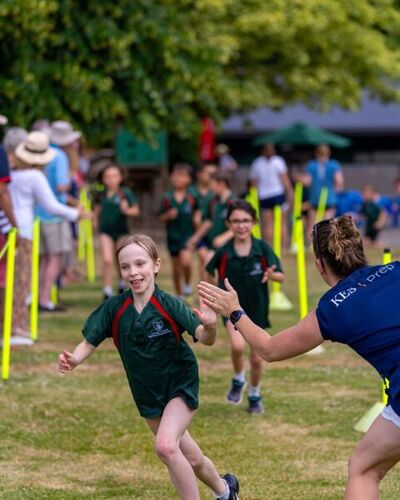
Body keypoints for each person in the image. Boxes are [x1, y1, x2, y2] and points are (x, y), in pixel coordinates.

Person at [199, 214, 400, 499]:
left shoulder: (333, 309)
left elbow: (268, 349)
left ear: (319, 265)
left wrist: (234, 311)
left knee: (363, 470)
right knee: (363, 464)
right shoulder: (396, 269)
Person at [58, 233, 239, 500]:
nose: (133, 272)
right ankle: (225, 491)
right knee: (192, 458)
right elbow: (89, 341)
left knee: (166, 447)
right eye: (125, 267)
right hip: (147, 394)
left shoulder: (169, 304)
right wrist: (74, 358)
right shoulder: (115, 308)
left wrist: (211, 326)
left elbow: (205, 338)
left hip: (179, 385)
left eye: (140, 264)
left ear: (156, 265)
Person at [205, 200, 284, 413]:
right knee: (237, 347)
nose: (241, 225)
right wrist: (211, 297)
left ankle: (255, 394)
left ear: (255, 222)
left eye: (246, 221)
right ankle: (239, 378)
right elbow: (208, 272)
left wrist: (271, 275)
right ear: (229, 224)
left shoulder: (262, 249)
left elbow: (281, 276)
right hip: (232, 310)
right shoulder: (223, 252)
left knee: (258, 360)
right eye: (236, 221)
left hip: (257, 312)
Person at [5, 130, 83, 344]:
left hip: (8, 228)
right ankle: (16, 328)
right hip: (24, 231)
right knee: (21, 280)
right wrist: (77, 214)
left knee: (10, 279)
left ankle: (11, 324)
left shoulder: (13, 173)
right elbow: (52, 205)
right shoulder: (35, 176)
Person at [35, 120, 81, 312]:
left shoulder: (44, 153)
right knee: (55, 258)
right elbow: (62, 186)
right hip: (55, 214)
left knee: (45, 259)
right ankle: (44, 300)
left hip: (39, 213)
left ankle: (38, 297)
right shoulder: (60, 156)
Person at [93, 164, 140, 300]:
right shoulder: (101, 194)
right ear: (103, 179)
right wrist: (94, 221)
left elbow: (136, 211)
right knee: (107, 259)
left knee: (121, 259)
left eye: (114, 176)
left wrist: (126, 210)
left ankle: (121, 283)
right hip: (105, 231)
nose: (111, 180)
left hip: (121, 231)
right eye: (107, 177)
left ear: (120, 178)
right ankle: (107, 290)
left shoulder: (125, 193)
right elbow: (96, 211)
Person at [158, 163, 199, 299]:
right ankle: (179, 295)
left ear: (189, 179)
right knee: (176, 270)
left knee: (186, 262)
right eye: (175, 175)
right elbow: (159, 217)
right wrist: (167, 215)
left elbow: (198, 215)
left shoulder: (192, 197)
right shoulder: (167, 198)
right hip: (172, 237)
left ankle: (187, 283)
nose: (178, 179)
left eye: (182, 176)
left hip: (188, 237)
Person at [249, 143, 293, 248]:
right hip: (277, 194)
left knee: (268, 224)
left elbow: (253, 184)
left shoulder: (257, 163)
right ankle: (284, 247)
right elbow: (285, 180)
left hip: (264, 196)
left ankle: (269, 247)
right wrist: (290, 192)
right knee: (282, 223)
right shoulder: (278, 161)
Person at [296, 144, 344, 236]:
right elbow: (339, 181)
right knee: (328, 224)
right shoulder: (333, 165)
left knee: (313, 224)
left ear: (316, 153)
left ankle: (312, 245)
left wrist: (297, 178)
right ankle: (326, 245)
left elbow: (307, 182)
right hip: (330, 198)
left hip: (315, 198)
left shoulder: (311, 165)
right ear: (329, 153)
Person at [187, 162, 218, 280]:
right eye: (209, 173)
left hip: (212, 233)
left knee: (211, 264)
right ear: (200, 174)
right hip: (196, 232)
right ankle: (204, 292)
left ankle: (210, 292)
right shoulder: (191, 192)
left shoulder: (215, 192)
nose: (212, 176)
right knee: (204, 259)